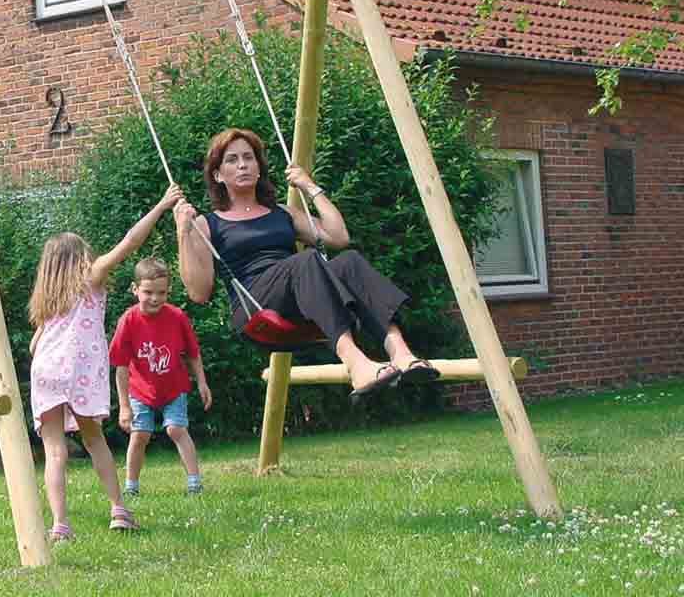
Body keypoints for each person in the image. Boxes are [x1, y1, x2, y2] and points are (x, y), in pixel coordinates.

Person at [173, 128, 440, 403]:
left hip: (298, 294)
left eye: (249, 158)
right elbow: (198, 292)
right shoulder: (208, 223)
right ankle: (356, 363)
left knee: (349, 261)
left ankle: (401, 353)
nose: (242, 165)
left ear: (258, 167)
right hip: (255, 305)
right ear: (218, 175)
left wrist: (310, 187)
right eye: (232, 160)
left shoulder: (282, 212)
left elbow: (339, 237)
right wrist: (183, 232)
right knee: (305, 261)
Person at [27, 184, 182, 543]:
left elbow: (36, 347)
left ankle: (60, 526)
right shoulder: (90, 280)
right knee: (94, 440)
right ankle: (118, 510)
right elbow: (129, 243)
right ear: (80, 259)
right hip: (80, 372)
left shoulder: (48, 301)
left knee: (54, 450)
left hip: (46, 371)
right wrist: (160, 206)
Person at [110, 256, 212, 496]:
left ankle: (195, 483)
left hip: (173, 386)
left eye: (162, 293)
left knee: (176, 429)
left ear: (168, 291)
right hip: (140, 389)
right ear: (135, 290)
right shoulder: (129, 320)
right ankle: (131, 487)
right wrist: (124, 406)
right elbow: (121, 366)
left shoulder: (177, 317)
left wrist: (202, 383)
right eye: (148, 292)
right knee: (140, 434)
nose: (155, 298)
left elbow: (193, 353)